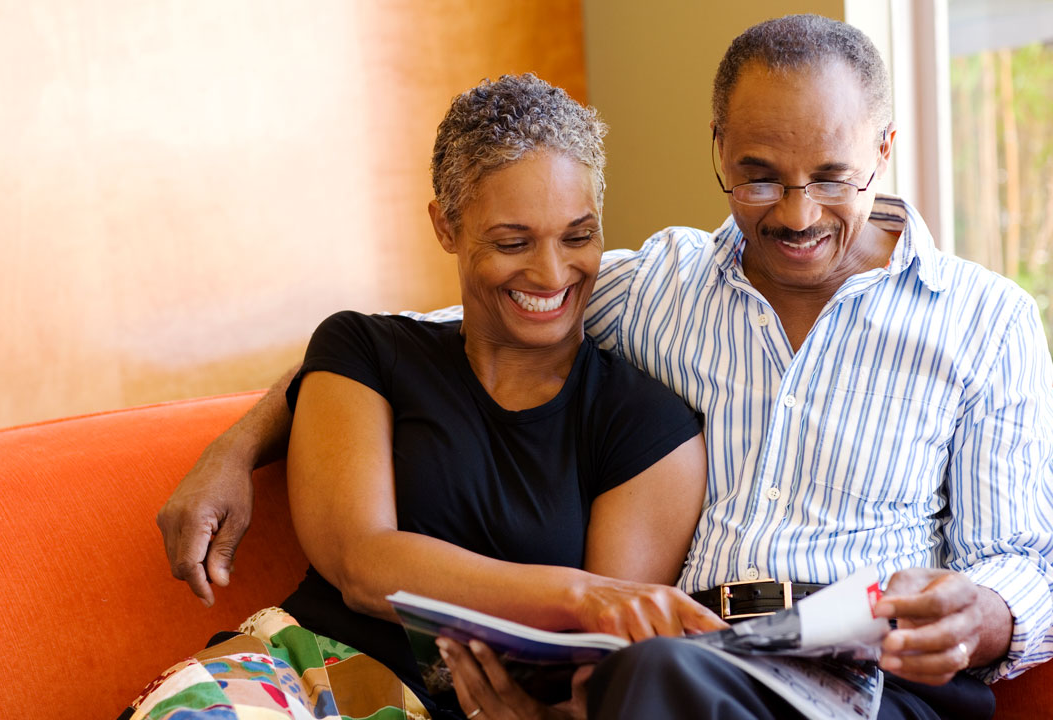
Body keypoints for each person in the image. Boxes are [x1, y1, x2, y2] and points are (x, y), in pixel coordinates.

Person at [158, 14, 1053, 720]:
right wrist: (239, 446)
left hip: (873, 680)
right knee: (652, 677)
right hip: (700, 664)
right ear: (716, 148)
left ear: (884, 153)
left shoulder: (984, 321)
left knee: (653, 678)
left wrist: (988, 612)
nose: (796, 213)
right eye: (758, 177)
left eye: (831, 176)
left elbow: (1023, 559)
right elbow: (410, 339)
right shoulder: (658, 286)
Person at [132, 73, 723, 720]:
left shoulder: (648, 426)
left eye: (578, 236)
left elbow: (602, 664)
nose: (553, 273)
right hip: (297, 676)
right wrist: (581, 594)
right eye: (513, 242)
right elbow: (363, 564)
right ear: (446, 226)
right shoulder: (365, 353)